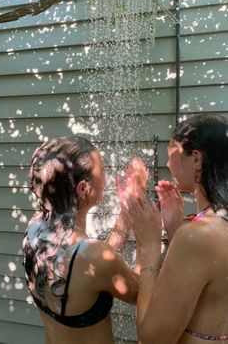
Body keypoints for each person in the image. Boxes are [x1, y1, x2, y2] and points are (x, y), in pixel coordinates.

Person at [23, 136, 145, 344]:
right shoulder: (92, 257)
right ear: (83, 188)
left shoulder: (34, 229)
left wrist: (126, 213)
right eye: (103, 171)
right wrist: (147, 242)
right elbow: (141, 292)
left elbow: (90, 266)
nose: (106, 178)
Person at [123, 113, 228, 344]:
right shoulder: (213, 225)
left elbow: (152, 339)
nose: (168, 163)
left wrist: (148, 246)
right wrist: (174, 230)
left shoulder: (198, 236)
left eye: (171, 152)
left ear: (197, 159)